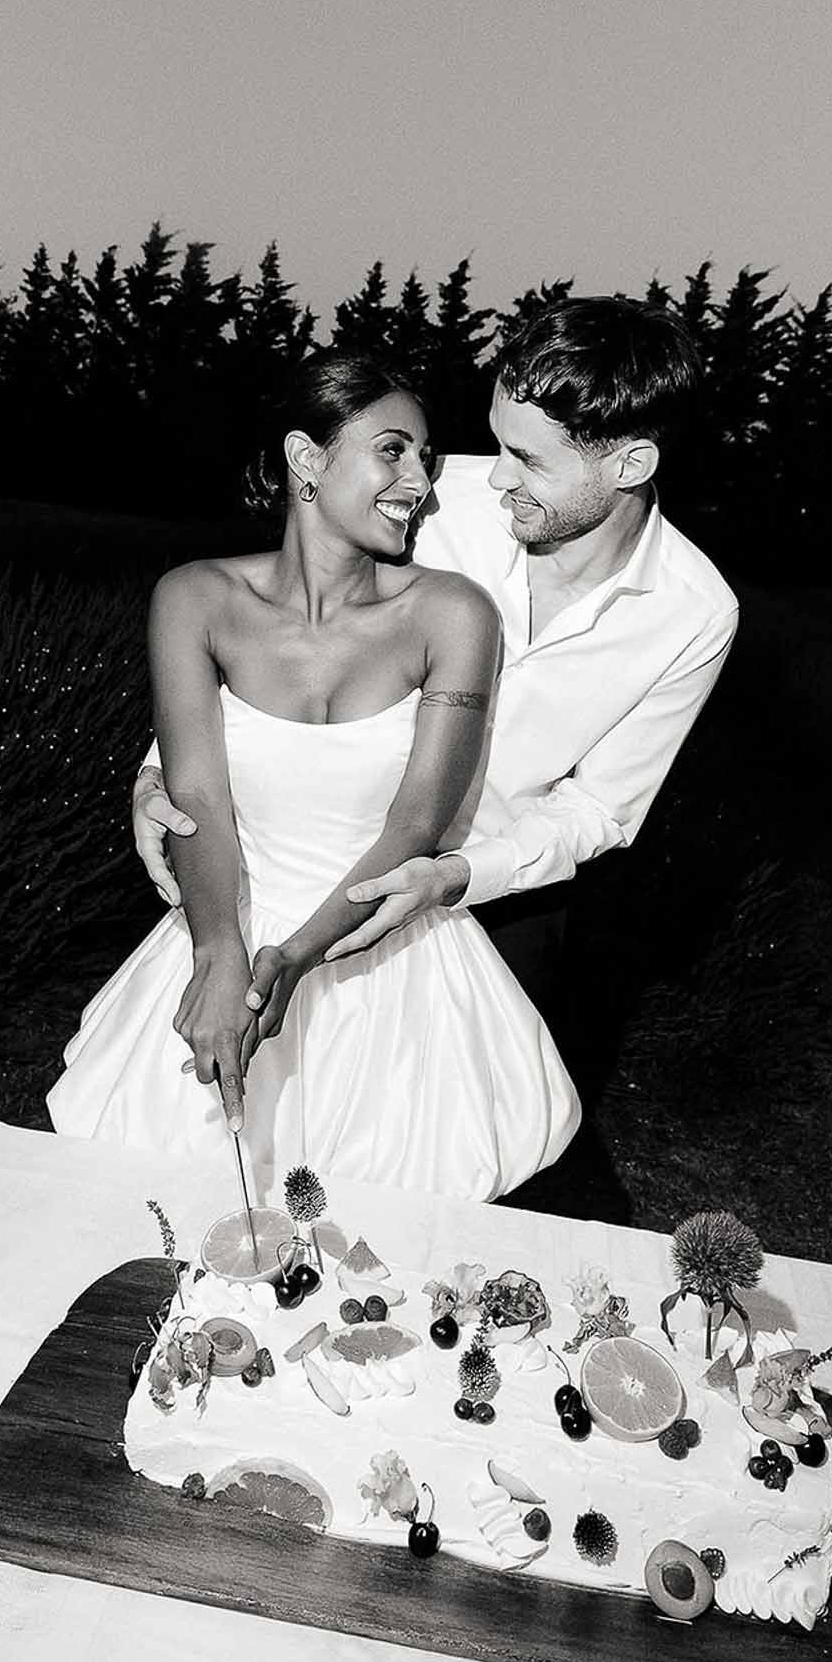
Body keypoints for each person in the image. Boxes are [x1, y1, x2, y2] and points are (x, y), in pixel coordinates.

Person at [133, 298, 739, 1209]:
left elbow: (601, 809)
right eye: (496, 443)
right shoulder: (428, 490)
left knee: (457, 1179)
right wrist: (164, 770)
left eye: (529, 459)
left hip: (486, 895)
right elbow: (291, 627)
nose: (493, 478)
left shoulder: (695, 612)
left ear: (631, 464)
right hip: (299, 859)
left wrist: (455, 875)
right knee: (216, 1158)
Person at [47, 353, 579, 1203]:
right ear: (306, 458)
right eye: (393, 451)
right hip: (224, 916)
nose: (421, 485)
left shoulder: (454, 614)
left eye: (425, 458)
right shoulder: (194, 598)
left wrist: (294, 960)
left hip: (384, 961)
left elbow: (415, 826)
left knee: (391, 1232)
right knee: (163, 1207)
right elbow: (198, 796)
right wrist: (218, 954)